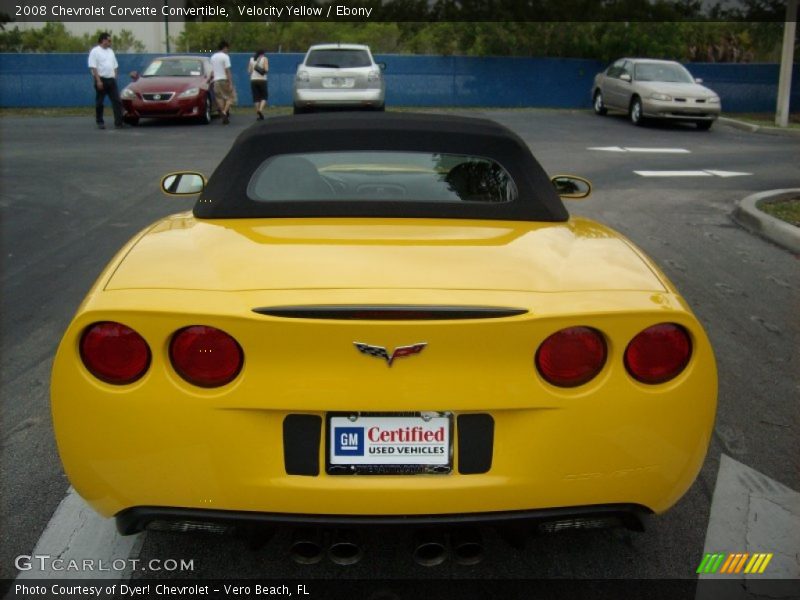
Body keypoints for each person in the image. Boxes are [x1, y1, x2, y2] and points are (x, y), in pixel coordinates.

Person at [88, 32, 123, 129]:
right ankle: (100, 121)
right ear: (103, 40)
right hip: (101, 79)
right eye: (109, 40)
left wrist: (115, 76)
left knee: (117, 101)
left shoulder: (110, 51)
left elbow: (115, 65)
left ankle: (119, 122)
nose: (110, 42)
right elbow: (93, 67)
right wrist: (98, 81)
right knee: (100, 102)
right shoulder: (95, 51)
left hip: (111, 80)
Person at [209, 40, 235, 124]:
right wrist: (230, 82)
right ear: (225, 48)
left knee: (219, 98)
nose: (228, 50)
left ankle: (223, 112)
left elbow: (212, 71)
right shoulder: (225, 57)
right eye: (227, 49)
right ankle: (225, 111)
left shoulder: (212, 57)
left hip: (216, 80)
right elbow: (227, 70)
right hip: (224, 79)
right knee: (231, 97)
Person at [247, 49, 269, 121]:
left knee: (256, 97)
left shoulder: (251, 59)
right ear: (263, 54)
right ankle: (260, 109)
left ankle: (258, 112)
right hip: (262, 80)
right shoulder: (264, 59)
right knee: (264, 96)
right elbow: (266, 69)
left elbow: (249, 71)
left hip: (253, 80)